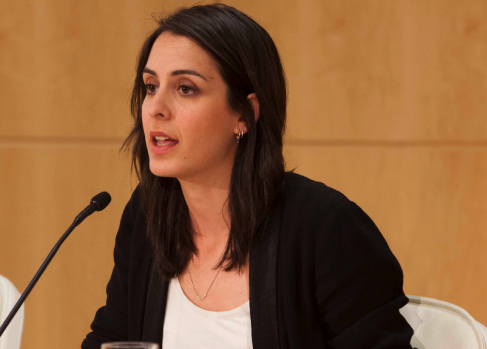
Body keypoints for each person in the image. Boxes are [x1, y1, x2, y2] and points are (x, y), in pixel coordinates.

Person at [82, 4, 414, 349]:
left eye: (185, 88)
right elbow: (112, 338)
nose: (155, 108)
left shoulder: (323, 227)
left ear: (244, 114)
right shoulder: (147, 214)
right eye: (150, 86)